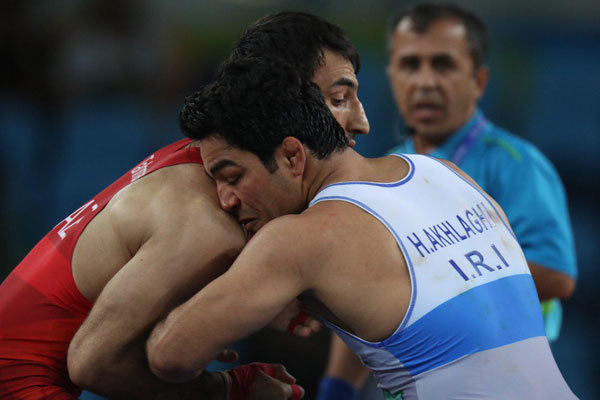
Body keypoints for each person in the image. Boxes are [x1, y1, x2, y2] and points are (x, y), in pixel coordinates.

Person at [145, 56, 577, 399]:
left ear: (293, 156)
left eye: (232, 176)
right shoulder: (446, 173)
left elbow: (170, 356)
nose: (225, 200)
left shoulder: (300, 239)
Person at [0, 12, 369, 399]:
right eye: (336, 101)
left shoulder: (203, 155)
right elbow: (93, 363)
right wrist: (229, 387)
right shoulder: (207, 223)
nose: (359, 123)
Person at [318, 4, 579, 399]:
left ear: (478, 80)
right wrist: (338, 387)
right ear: (392, 77)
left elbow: (557, 275)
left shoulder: (515, 164)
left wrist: (428, 279)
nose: (425, 81)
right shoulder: (381, 171)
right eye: (410, 65)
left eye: (443, 65)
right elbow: (361, 295)